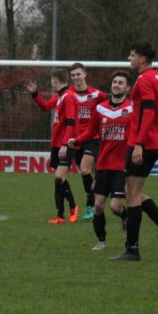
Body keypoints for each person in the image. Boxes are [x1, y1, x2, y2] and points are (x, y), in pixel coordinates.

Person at [112, 42, 158, 261]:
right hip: (152, 141)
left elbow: (149, 112)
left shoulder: (144, 80)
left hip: (144, 143)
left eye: (132, 55)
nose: (129, 58)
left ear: (142, 58)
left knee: (132, 194)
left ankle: (132, 249)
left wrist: (139, 144)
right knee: (134, 190)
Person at [68, 71, 132, 251]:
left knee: (115, 207)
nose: (116, 85)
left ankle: (125, 216)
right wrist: (78, 140)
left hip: (121, 167)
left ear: (127, 88)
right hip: (103, 165)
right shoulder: (100, 108)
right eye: (114, 82)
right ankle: (102, 240)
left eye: (120, 83)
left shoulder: (133, 108)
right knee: (97, 205)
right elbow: (91, 131)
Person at [24, 69, 79, 224]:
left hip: (65, 144)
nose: (51, 83)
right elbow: (46, 106)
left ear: (55, 80)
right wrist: (35, 94)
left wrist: (64, 145)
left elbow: (71, 122)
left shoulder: (68, 97)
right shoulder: (60, 97)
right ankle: (60, 215)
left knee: (59, 177)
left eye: (51, 81)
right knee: (58, 180)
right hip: (56, 144)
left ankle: (73, 205)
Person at [68, 63, 107, 221]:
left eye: (78, 74)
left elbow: (108, 109)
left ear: (85, 74)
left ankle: (90, 205)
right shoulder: (69, 93)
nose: (76, 77)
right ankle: (93, 196)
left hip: (92, 137)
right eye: (73, 75)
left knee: (85, 169)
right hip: (76, 139)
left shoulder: (98, 95)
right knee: (83, 173)